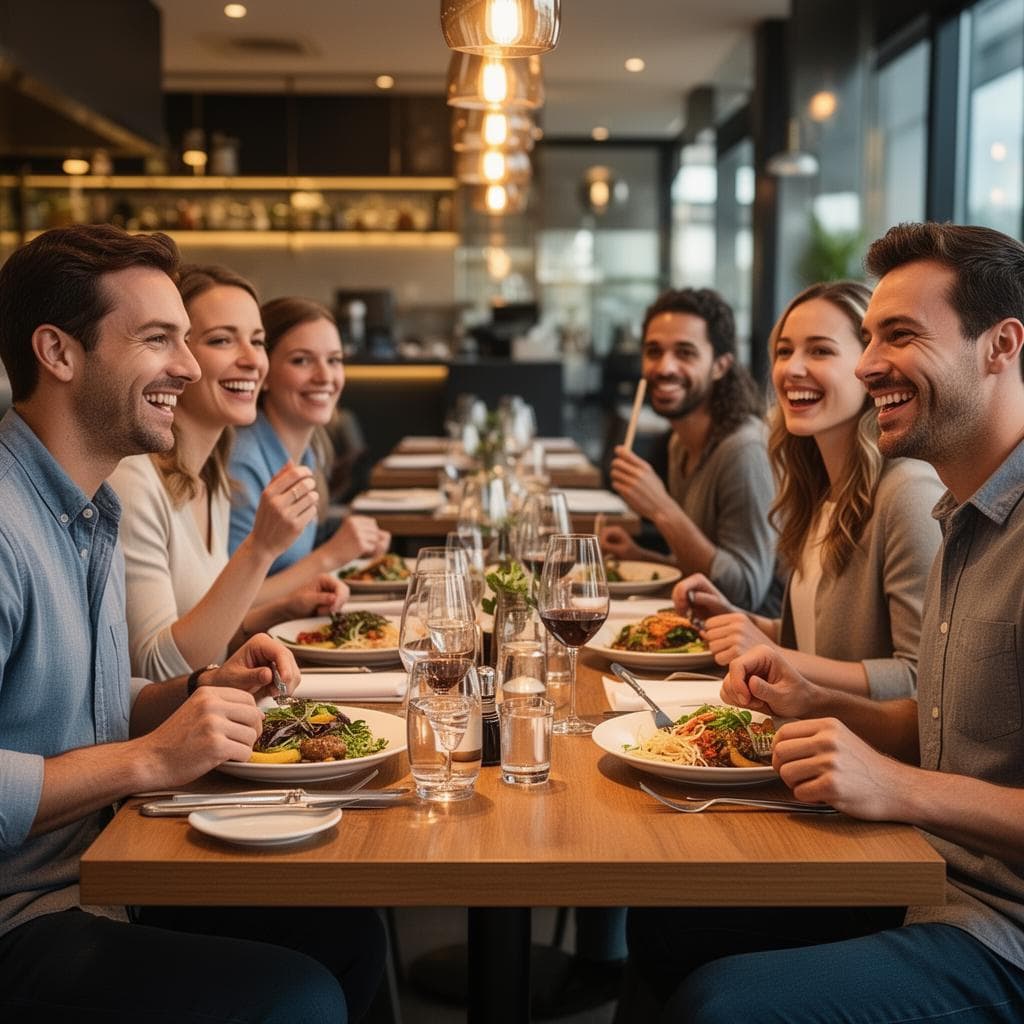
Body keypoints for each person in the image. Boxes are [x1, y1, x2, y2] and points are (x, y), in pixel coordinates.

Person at [628, 221, 1024, 1023]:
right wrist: (820, 704)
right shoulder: (962, 514)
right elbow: (944, 727)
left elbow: (919, 768)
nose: (870, 362)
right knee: (666, 918)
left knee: (721, 1006)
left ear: (1001, 345)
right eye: (870, 337)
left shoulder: (932, 504)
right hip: (914, 871)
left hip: (996, 930)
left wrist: (897, 786)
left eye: (901, 336)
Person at [0, 224, 385, 1020]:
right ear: (58, 353)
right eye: (157, 340)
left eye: (187, 340)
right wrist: (146, 760)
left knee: (347, 929)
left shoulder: (91, 504)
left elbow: (88, 706)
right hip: (26, 918)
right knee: (300, 999)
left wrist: (191, 691)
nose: (188, 367)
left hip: (107, 866)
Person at [676, 281, 943, 698]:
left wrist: (769, 650)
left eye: (820, 350)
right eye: (784, 351)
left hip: (859, 757)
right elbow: (824, 643)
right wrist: (743, 623)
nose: (791, 369)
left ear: (868, 366)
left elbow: (919, 682)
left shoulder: (908, 493)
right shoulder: (816, 489)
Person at [109, 265, 349, 680]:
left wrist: (280, 609)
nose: (252, 360)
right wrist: (260, 548)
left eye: (257, 342)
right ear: (177, 356)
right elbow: (157, 670)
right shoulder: (133, 480)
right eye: (222, 340)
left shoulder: (212, 478)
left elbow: (207, 636)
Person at [600, 287, 779, 614]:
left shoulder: (744, 451)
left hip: (749, 648)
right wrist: (640, 558)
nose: (665, 367)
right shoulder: (679, 442)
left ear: (720, 365)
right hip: (696, 625)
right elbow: (701, 567)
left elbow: (744, 592)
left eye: (685, 353)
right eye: (654, 351)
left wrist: (662, 508)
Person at [227, 295, 389, 601]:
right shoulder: (242, 462)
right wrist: (332, 555)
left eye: (334, 360)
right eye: (301, 360)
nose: (325, 377)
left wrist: (352, 545)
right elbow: (233, 605)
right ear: (265, 373)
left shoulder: (311, 451)